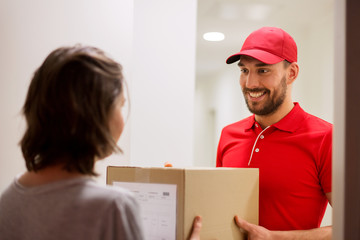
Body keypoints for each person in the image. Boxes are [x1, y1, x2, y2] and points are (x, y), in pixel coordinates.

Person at [0, 45, 202, 240]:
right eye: (120, 106)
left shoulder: (8, 199)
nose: (123, 120)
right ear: (96, 115)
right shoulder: (113, 207)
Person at [216, 27, 332, 239]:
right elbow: (220, 209)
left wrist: (274, 238)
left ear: (292, 73)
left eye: (263, 70)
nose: (250, 83)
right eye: (244, 71)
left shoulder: (325, 137)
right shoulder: (229, 135)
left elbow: (352, 225)